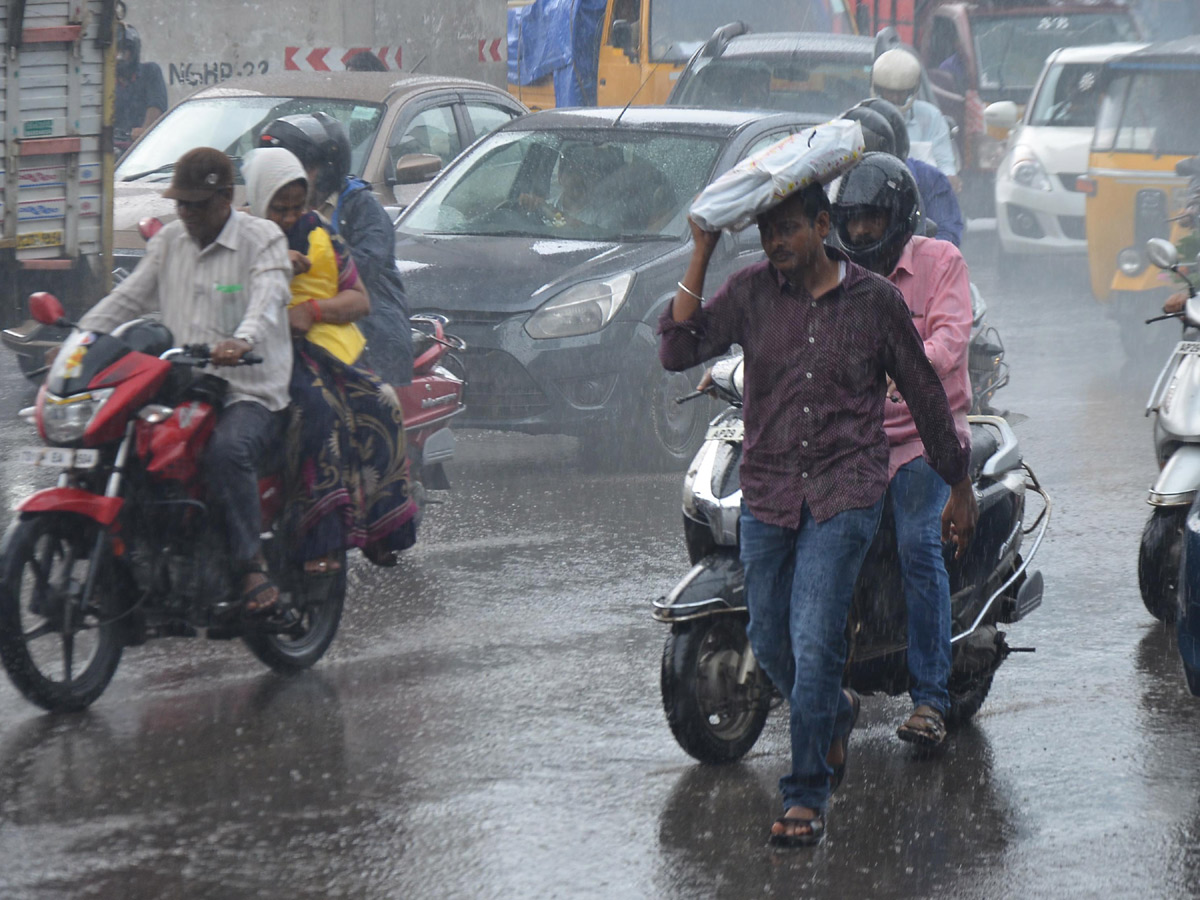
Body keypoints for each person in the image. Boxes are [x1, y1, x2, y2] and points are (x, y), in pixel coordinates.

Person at [659, 180, 976, 847]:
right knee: (772, 639)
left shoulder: (876, 303)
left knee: (814, 638)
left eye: (789, 230)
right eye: (768, 232)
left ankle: (805, 797)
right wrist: (701, 252)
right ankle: (834, 710)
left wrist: (959, 482)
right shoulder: (749, 292)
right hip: (769, 492)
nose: (777, 243)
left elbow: (923, 393)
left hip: (846, 492)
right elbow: (677, 350)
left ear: (822, 226)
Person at [77, 147, 293, 616]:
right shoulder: (170, 242)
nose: (187, 213)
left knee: (226, 450)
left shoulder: (264, 239)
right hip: (181, 385)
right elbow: (126, 299)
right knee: (117, 442)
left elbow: (269, 295)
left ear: (225, 199)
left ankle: (250, 561)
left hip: (248, 390)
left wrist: (243, 339)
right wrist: (79, 342)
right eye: (181, 204)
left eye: (197, 204)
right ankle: (122, 559)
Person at [832, 153, 974, 747]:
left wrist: (909, 364)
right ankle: (826, 682)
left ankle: (931, 700)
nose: (863, 231)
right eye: (854, 219)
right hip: (858, 439)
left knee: (919, 543)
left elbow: (951, 334)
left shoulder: (942, 261)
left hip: (925, 436)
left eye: (874, 219)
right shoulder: (838, 274)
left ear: (900, 216)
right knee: (824, 542)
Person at [242, 148, 419, 570]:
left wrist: (314, 312)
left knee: (383, 404)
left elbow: (359, 299)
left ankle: (381, 529)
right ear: (259, 199)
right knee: (318, 412)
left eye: (295, 207)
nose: (288, 217)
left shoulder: (321, 232)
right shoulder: (242, 238)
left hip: (333, 346)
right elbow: (225, 293)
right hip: (270, 349)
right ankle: (321, 538)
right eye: (278, 208)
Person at [259, 113, 415, 385]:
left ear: (326, 169)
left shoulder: (362, 208)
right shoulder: (265, 212)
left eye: (296, 168)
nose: (286, 179)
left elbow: (362, 268)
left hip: (370, 331)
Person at [844, 100, 964, 246]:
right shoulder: (832, 182)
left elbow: (947, 239)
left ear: (897, 148)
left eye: (877, 152)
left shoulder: (930, 179)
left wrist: (918, 251)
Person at [871, 48, 959, 188]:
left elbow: (945, 164)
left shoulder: (931, 117)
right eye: (890, 92)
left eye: (901, 92)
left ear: (912, 90)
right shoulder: (864, 116)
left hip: (922, 196)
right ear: (879, 89)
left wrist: (949, 179)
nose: (895, 98)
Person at [114, 22, 167, 144]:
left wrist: (144, 131)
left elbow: (156, 106)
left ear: (133, 51)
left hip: (143, 147)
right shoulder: (104, 81)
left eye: (122, 52)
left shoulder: (150, 72)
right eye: (114, 52)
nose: (118, 57)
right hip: (111, 149)